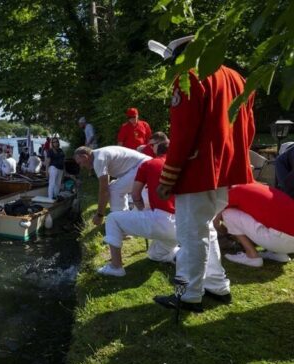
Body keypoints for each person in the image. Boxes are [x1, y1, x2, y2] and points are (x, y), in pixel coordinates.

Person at [149, 35, 255, 312]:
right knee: (205, 228)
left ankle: (188, 294)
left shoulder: (189, 78)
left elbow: (183, 134)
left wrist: (168, 176)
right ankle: (217, 285)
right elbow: (249, 128)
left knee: (191, 235)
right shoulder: (237, 78)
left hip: (199, 171)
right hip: (226, 169)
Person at [98, 141, 179, 276]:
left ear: (156, 151)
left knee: (112, 219)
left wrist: (141, 211)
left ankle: (116, 267)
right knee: (154, 255)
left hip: (160, 219)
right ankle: (180, 256)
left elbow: (135, 195)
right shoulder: (182, 167)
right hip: (181, 226)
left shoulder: (148, 164)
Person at [220, 183, 294, 267]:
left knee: (228, 213)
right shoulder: (259, 186)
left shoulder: (234, 191)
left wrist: (228, 233)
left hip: (279, 240)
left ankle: (252, 256)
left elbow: (216, 221)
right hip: (289, 244)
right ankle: (279, 253)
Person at [73, 146, 151, 225]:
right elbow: (107, 182)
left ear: (84, 157)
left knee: (114, 190)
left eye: (80, 163)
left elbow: (104, 190)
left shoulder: (99, 160)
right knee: (114, 185)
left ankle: (122, 225)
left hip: (142, 167)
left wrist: (100, 215)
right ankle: (127, 219)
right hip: (146, 164)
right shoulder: (99, 154)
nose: (81, 166)